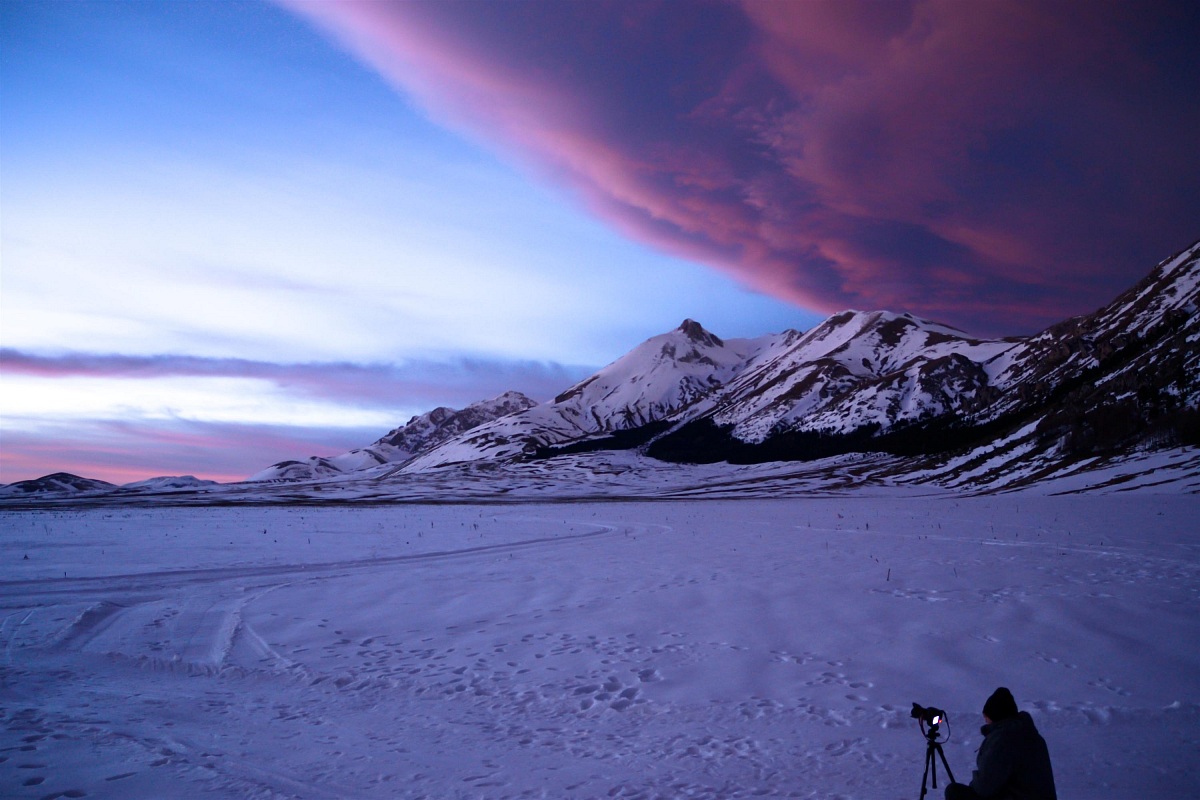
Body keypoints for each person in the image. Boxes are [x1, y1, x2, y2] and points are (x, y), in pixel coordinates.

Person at [945, 687, 1057, 800]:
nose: (985, 721)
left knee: (954, 792)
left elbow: (984, 786)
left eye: (986, 717)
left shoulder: (1003, 739)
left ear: (994, 716)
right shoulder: (1029, 733)